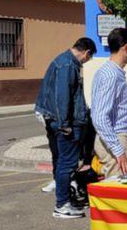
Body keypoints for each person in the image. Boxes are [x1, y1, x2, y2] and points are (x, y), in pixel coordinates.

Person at [34, 37, 96, 218]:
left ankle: (65, 200)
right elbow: (63, 97)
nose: (86, 62)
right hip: (66, 123)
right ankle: (62, 205)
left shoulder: (62, 61)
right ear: (86, 52)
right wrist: (65, 125)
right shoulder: (68, 65)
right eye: (88, 58)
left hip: (57, 120)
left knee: (62, 162)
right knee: (66, 164)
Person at [92, 27, 127, 177]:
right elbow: (99, 116)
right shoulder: (111, 75)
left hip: (115, 137)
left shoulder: (110, 71)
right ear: (126, 47)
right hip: (116, 137)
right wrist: (118, 150)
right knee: (120, 187)